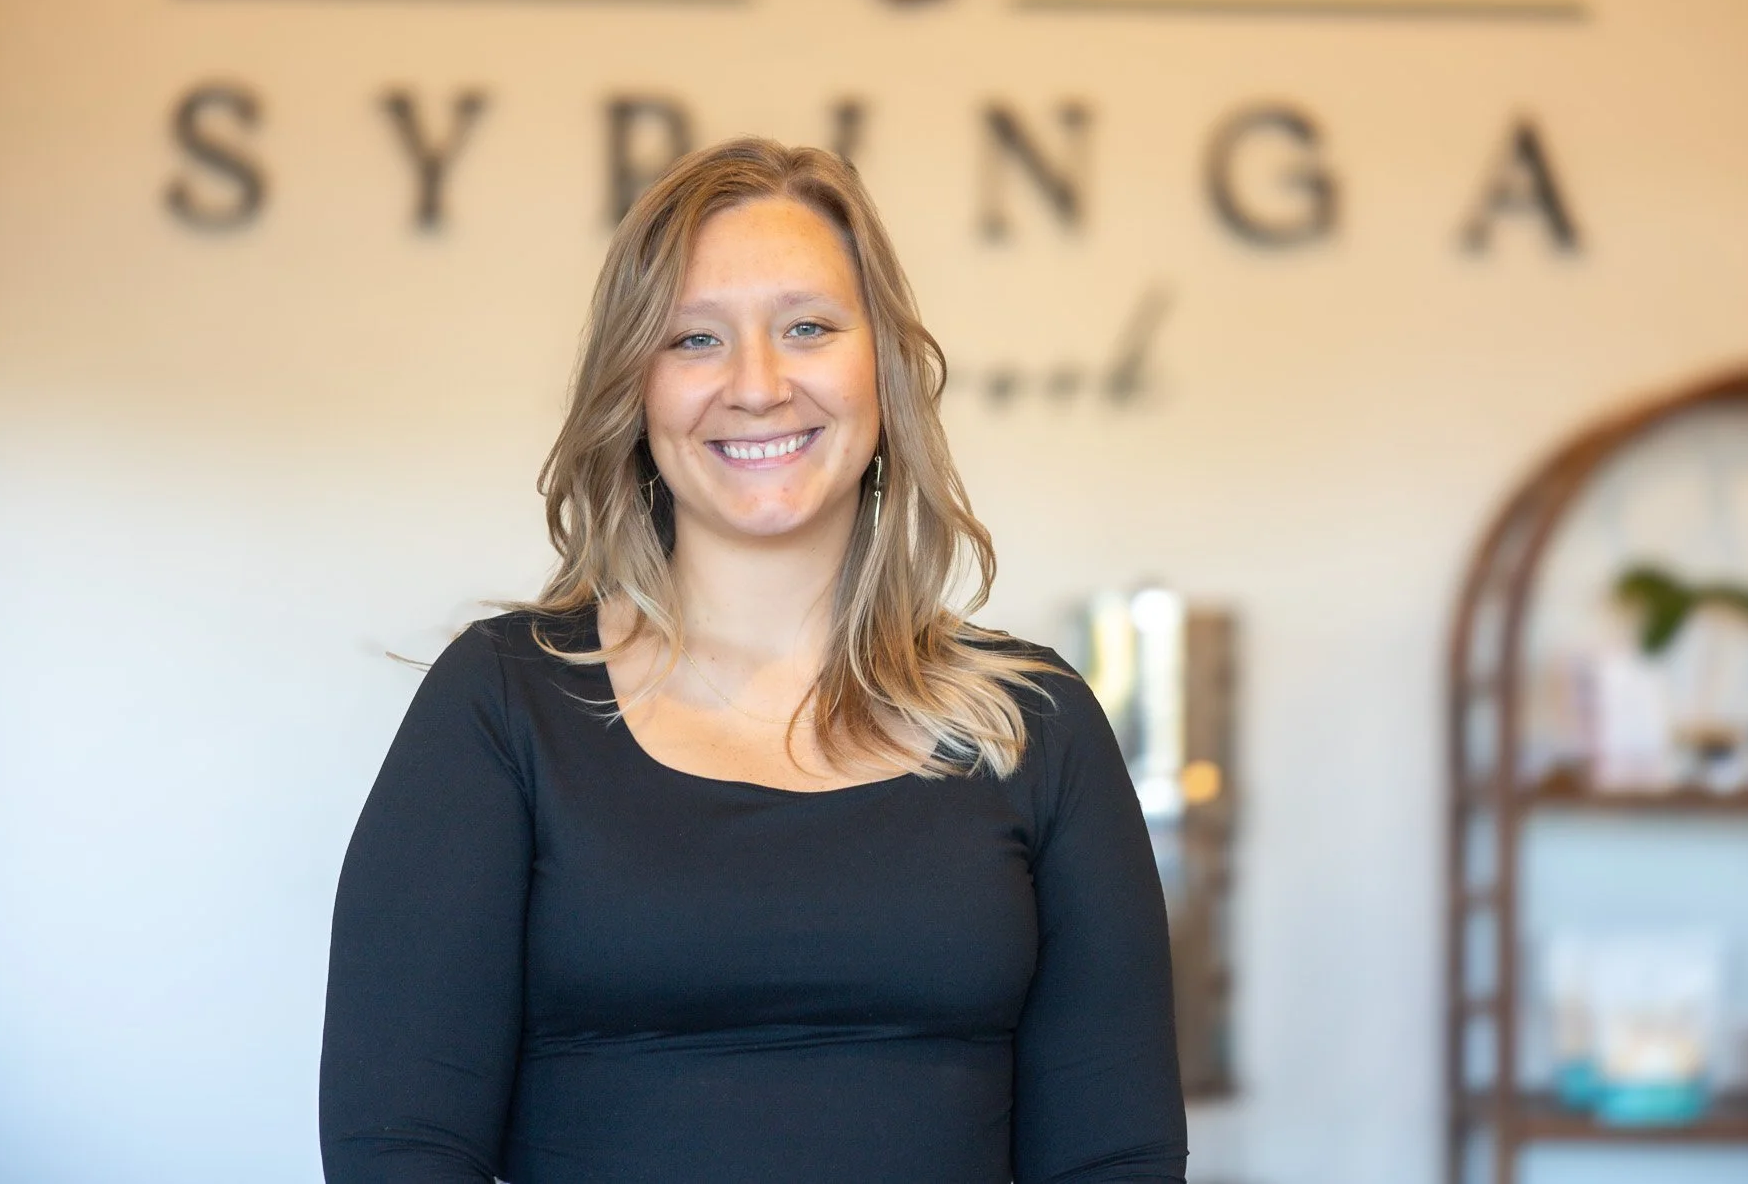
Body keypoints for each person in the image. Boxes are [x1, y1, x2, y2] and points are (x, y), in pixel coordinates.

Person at [318, 138, 1186, 1183]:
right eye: (694, 339)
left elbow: (1115, 1158)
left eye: (807, 328)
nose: (758, 385)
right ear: (634, 389)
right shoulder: (502, 704)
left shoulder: (1032, 723)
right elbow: (400, 1149)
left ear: (883, 368)